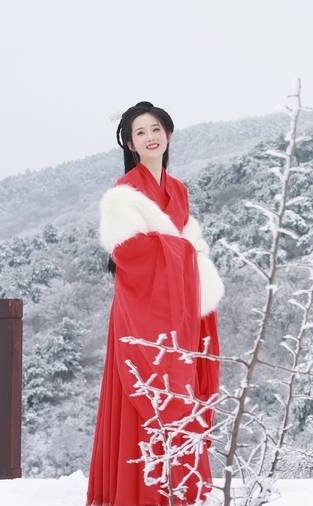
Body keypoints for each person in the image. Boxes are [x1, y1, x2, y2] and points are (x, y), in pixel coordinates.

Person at [86, 101, 225, 505]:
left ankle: (179, 485)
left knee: (181, 387)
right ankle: (142, 491)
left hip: (177, 306)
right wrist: (183, 252)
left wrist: (190, 258)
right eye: (140, 132)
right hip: (142, 307)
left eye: (155, 129)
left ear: (169, 134)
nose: (150, 137)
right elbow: (129, 253)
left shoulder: (178, 189)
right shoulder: (124, 192)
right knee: (150, 384)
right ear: (130, 143)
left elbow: (184, 244)